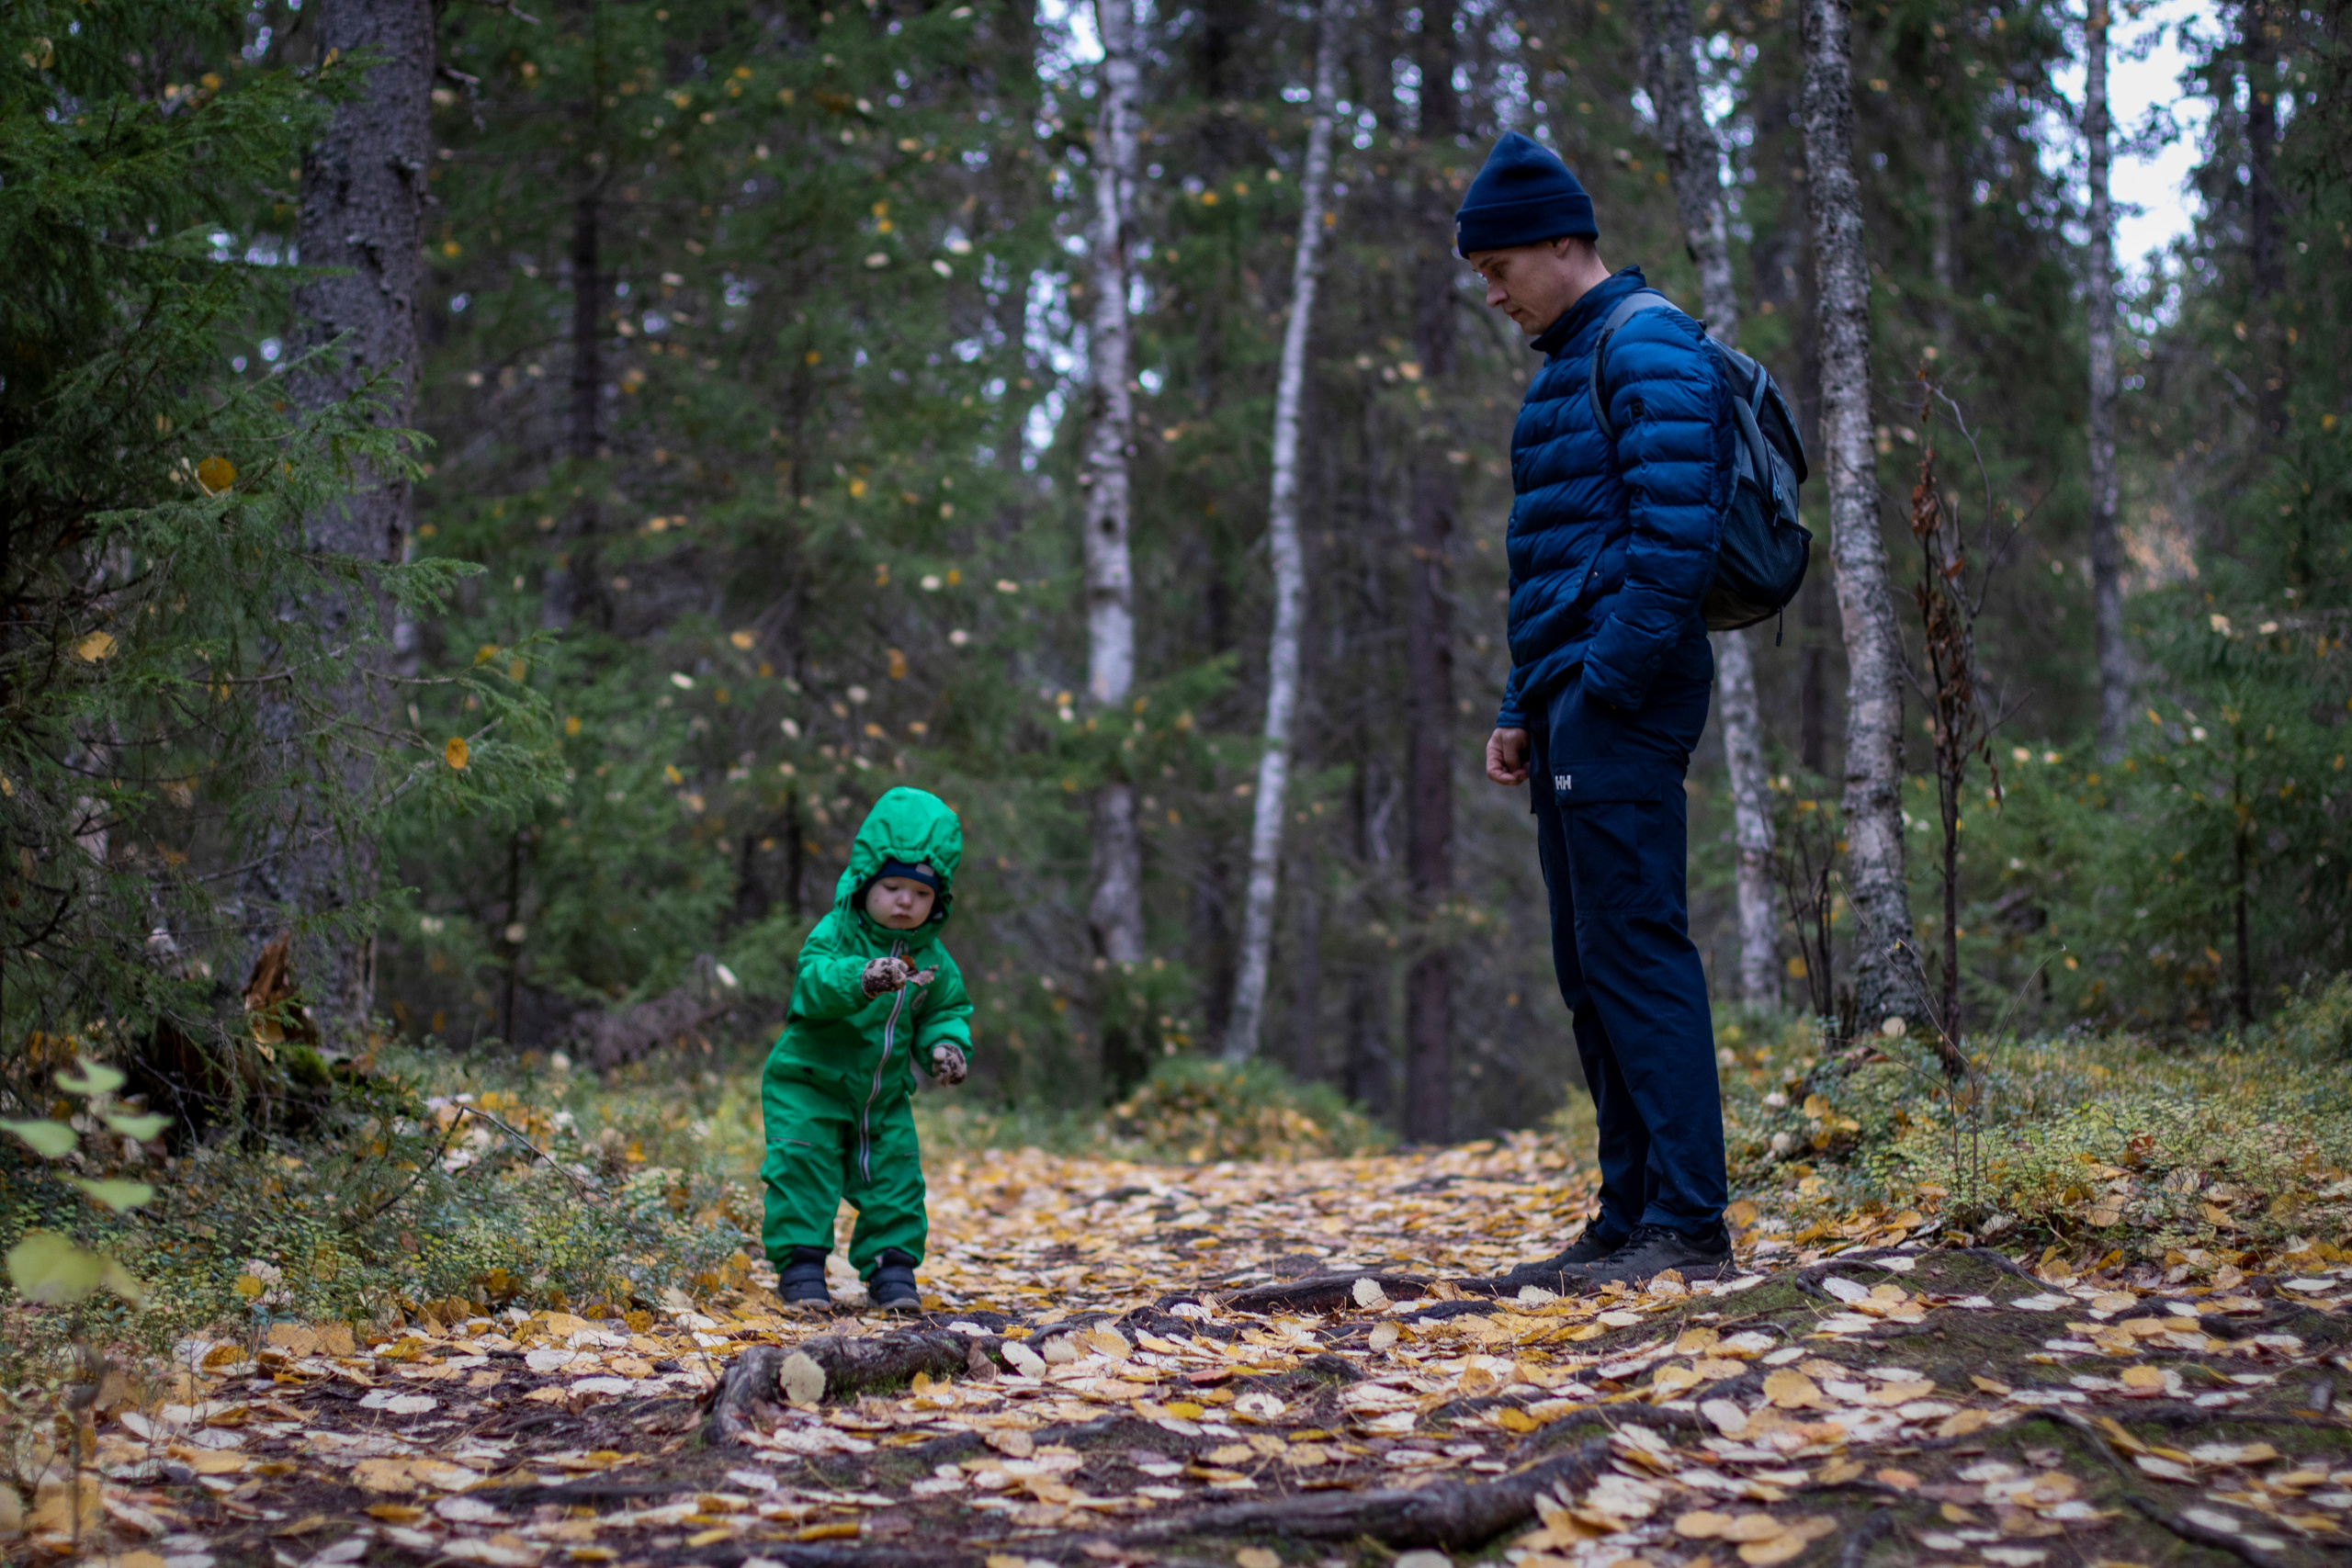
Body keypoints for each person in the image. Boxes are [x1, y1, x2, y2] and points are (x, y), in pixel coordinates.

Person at [1460, 132, 1736, 1289]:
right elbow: (1559, 561)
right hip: (1576, 691)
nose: (1491, 288)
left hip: (1623, 691)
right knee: (1589, 961)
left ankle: (1688, 1225)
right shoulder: (1565, 369)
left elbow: (1676, 544)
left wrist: (1603, 686)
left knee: (1635, 950)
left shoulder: (1649, 343)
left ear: (1564, 241)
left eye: (1500, 264)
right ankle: (1627, 1217)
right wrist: (1527, 699)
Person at [761, 785, 972, 1310]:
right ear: (866, 882)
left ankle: (893, 1275)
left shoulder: (934, 958)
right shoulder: (836, 934)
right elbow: (811, 983)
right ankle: (802, 1271)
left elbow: (944, 1009)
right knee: (803, 1171)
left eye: (922, 895)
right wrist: (862, 977)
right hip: (808, 1084)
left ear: (938, 900)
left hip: (881, 1096)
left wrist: (944, 1046)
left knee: (897, 1179)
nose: (906, 901)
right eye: (894, 887)